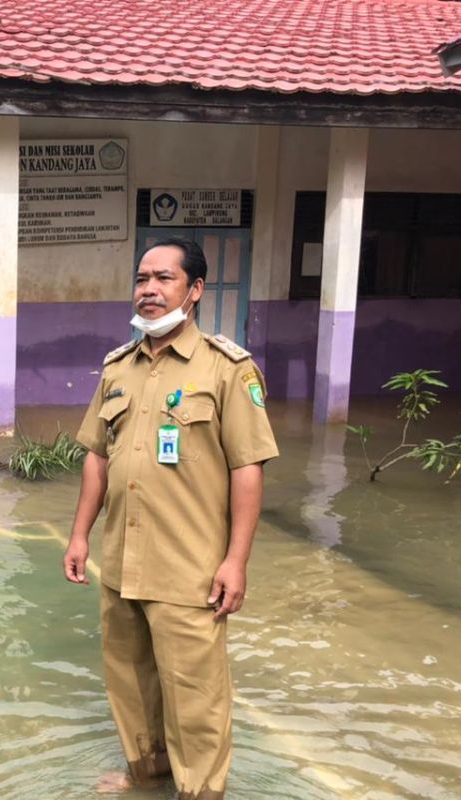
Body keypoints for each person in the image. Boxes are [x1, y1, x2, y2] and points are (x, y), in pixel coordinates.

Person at [62, 237, 278, 798]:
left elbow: (247, 468)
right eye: (142, 279)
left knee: (195, 700)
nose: (149, 290)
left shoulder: (230, 369)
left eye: (164, 279)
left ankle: (200, 793)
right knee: (130, 685)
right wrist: (80, 535)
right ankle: (146, 777)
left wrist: (237, 561)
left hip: (190, 570)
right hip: (123, 563)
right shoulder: (117, 368)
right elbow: (96, 456)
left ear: (196, 289)